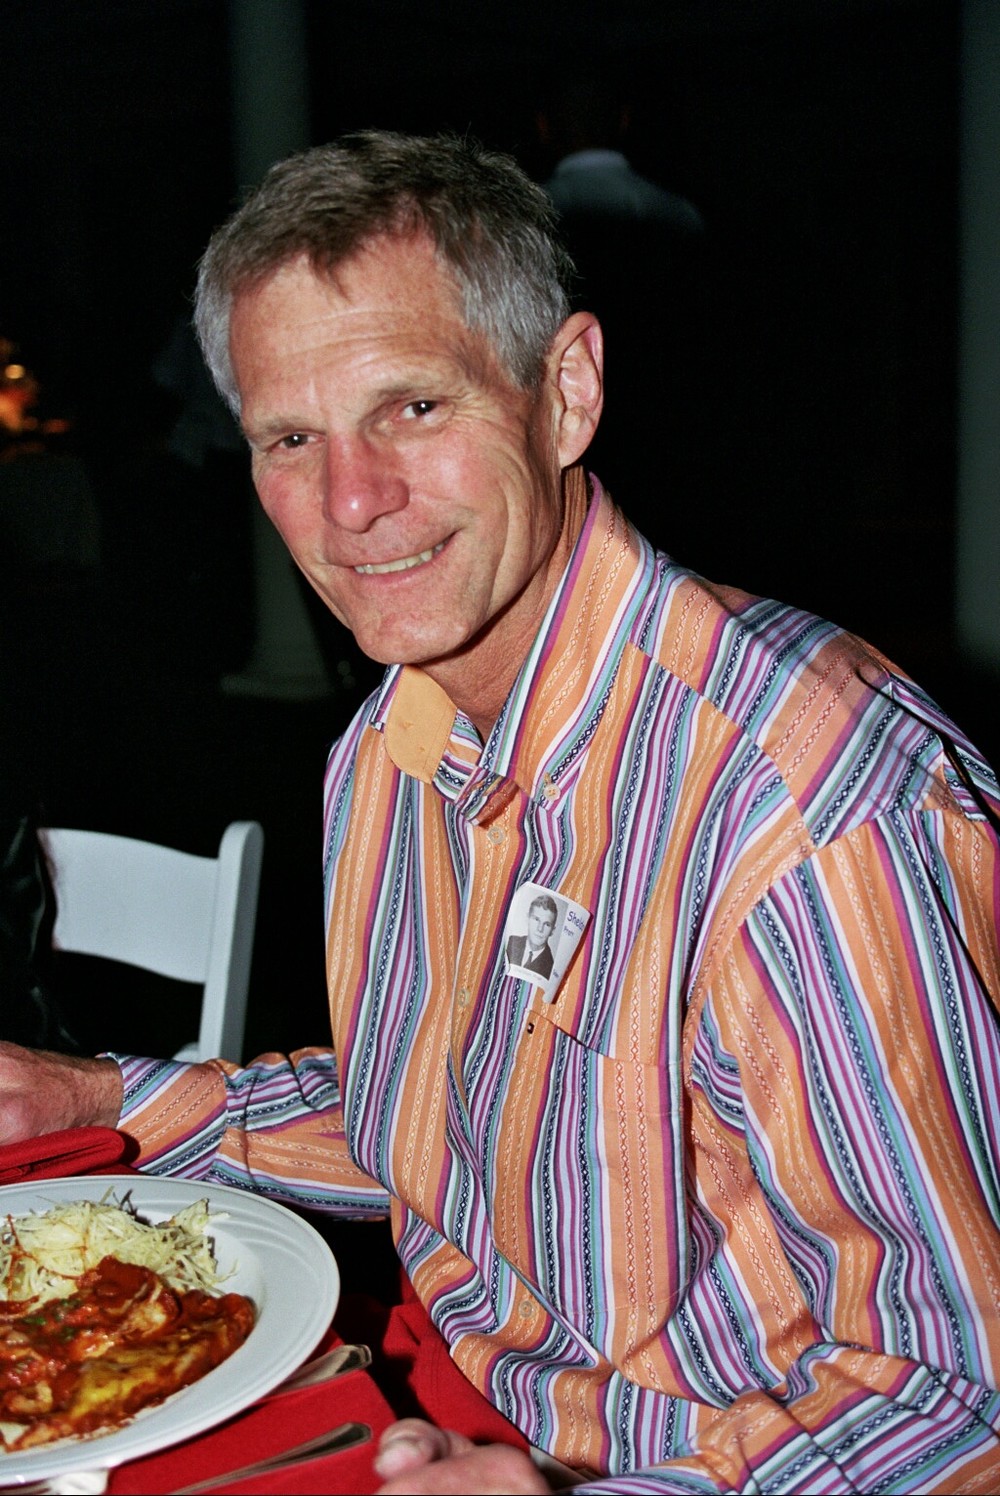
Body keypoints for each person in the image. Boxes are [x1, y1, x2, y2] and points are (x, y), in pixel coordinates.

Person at [1, 131, 1000, 1494]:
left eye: (413, 406)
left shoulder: (809, 809)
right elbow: (447, 1123)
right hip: (435, 1396)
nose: (352, 502)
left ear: (567, 391)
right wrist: (98, 1095)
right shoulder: (388, 749)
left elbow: (960, 1402)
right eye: (292, 438)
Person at [506, 894, 558, 980]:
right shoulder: (511, 941)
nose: (540, 929)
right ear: (528, 919)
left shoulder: (551, 967)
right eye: (536, 919)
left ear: (552, 930)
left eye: (547, 924)